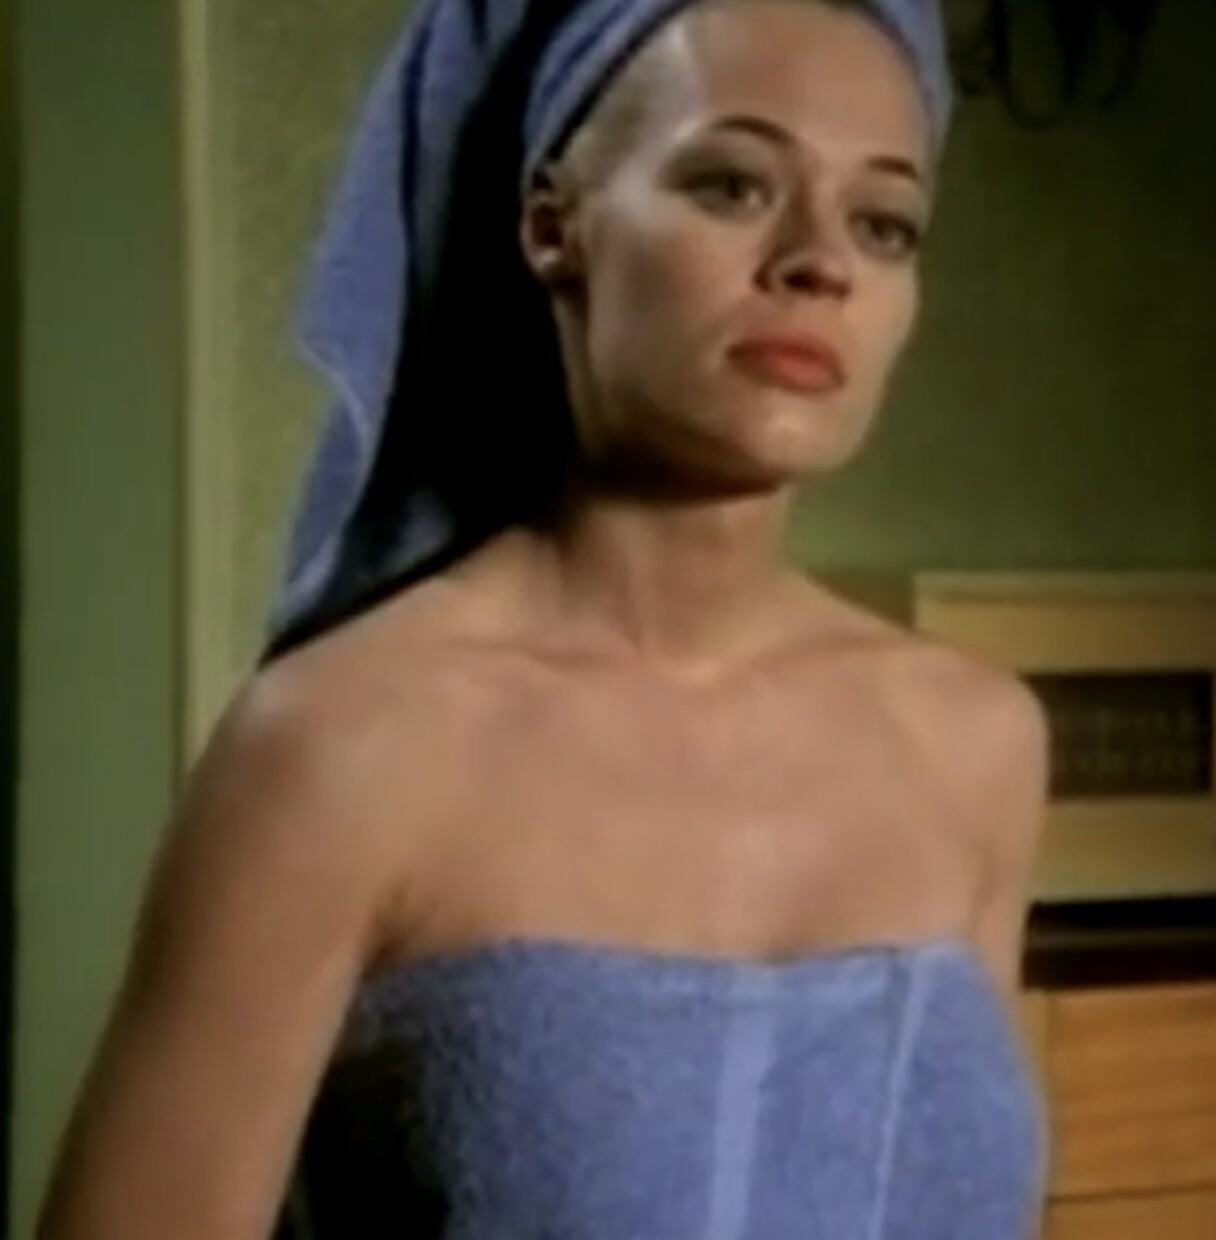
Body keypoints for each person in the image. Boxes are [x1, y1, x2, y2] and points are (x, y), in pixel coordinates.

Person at [37, 0, 1052, 1237]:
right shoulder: (343, 747)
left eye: (882, 222)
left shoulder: (973, 744)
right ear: (551, 224)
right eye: (731, 185)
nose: (817, 262)